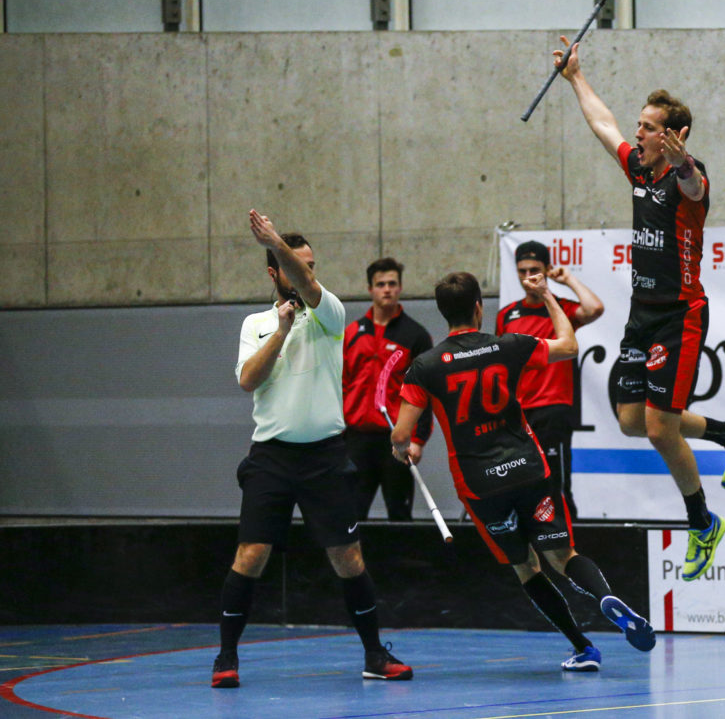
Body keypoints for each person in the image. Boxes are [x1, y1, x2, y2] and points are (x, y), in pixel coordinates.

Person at [554, 37, 725, 581]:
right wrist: (576, 77)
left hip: (680, 314)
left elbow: (696, 189)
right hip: (640, 313)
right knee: (632, 420)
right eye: (643, 125)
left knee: (658, 427)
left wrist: (686, 164)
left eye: (650, 126)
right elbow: (604, 126)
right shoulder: (640, 170)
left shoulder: (684, 175)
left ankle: (702, 522)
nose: (640, 133)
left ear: (676, 135)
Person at [391, 271, 655, 671]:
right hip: (529, 468)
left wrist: (402, 449)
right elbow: (568, 345)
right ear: (479, 307)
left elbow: (402, 432)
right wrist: (548, 295)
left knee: (526, 566)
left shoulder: (425, 366)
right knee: (563, 554)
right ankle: (603, 597)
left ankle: (582, 646)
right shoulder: (507, 345)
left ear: (444, 314)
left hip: (480, 484)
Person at [212, 210, 411, 688]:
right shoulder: (255, 324)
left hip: (324, 456)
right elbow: (247, 381)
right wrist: (280, 332)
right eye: (293, 264)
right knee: (251, 554)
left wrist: (281, 246)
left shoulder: (330, 314)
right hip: (271, 457)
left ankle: (374, 654)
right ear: (272, 273)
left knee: (348, 556)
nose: (307, 274)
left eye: (311, 266)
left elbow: (307, 284)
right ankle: (226, 657)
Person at [496, 240, 605, 519]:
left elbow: (594, 309)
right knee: (522, 483)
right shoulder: (506, 315)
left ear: (546, 270)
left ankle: (571, 548)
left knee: (555, 484)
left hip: (553, 408)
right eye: (522, 271)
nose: (527, 277)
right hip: (518, 412)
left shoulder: (561, 310)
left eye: (535, 269)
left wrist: (567, 279)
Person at [342, 257, 434, 521]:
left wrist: (417, 440)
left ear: (400, 287)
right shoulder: (352, 333)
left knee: (399, 513)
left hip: (397, 440)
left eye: (392, 283)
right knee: (351, 515)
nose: (387, 289)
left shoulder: (415, 335)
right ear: (370, 289)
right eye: (380, 284)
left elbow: (424, 393)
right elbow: (342, 384)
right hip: (356, 440)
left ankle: (400, 564)